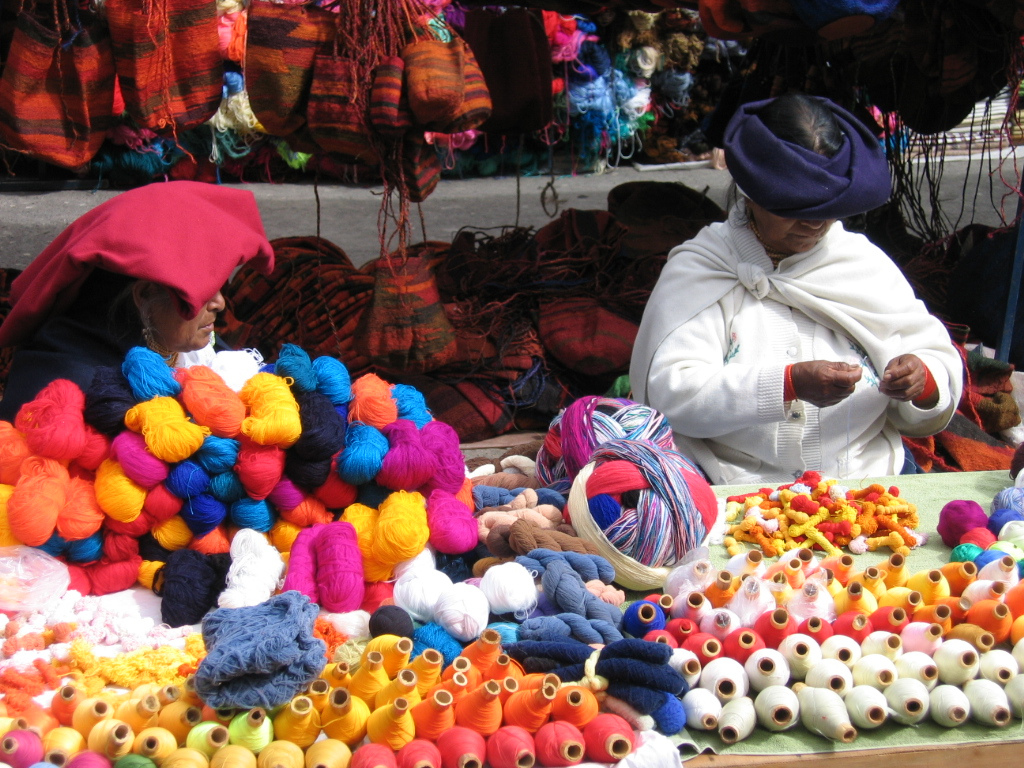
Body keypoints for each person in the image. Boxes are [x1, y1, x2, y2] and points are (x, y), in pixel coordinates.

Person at [629, 93, 963, 484]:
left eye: (827, 209)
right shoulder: (702, 269)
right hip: (727, 485)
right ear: (752, 192)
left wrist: (922, 379)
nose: (815, 224)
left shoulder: (861, 264)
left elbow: (935, 356)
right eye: (794, 209)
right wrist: (788, 383)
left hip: (866, 480)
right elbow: (672, 394)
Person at [0, 181, 275, 421]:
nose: (220, 304)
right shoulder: (67, 389)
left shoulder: (177, 344)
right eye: (205, 289)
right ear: (143, 296)